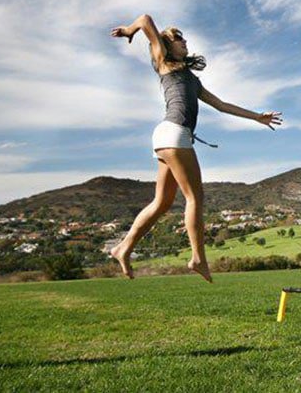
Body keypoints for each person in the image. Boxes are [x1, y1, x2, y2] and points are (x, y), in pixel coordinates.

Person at [109, 15, 282, 280]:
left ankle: (124, 248)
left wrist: (257, 116)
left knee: (162, 202)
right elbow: (145, 20)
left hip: (168, 136)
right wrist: (129, 30)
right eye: (179, 38)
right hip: (175, 133)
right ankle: (198, 259)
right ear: (167, 44)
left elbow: (222, 104)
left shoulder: (191, 78)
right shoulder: (163, 62)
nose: (185, 41)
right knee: (194, 198)